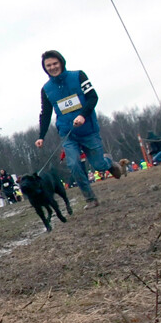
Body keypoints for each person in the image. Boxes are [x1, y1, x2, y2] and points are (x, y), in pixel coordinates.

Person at [34, 50, 125, 208]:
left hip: (88, 130)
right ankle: (90, 199)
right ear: (45, 68)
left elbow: (93, 97)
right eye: (48, 65)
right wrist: (41, 136)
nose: (52, 67)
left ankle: (110, 163)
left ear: (61, 62)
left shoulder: (78, 76)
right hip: (67, 134)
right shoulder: (46, 89)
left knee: (98, 165)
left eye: (55, 63)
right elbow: (46, 113)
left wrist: (83, 115)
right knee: (74, 164)